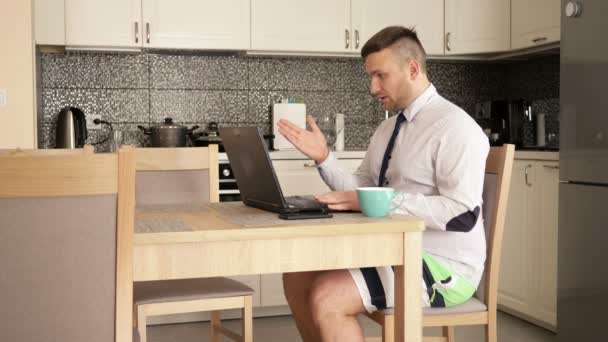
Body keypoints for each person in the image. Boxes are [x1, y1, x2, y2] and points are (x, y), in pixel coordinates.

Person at [277, 26, 490, 342]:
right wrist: (324, 157)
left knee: (328, 296)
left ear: (413, 69)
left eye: (381, 75)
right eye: (370, 77)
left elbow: (461, 213)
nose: (373, 87)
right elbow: (361, 186)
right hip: (393, 250)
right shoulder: (389, 127)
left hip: (444, 267)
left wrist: (380, 201)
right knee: (296, 276)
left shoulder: (455, 127)